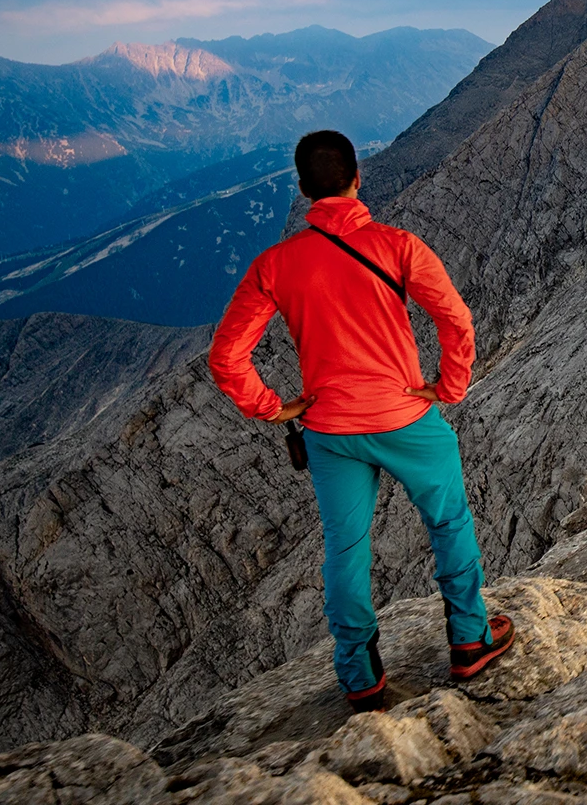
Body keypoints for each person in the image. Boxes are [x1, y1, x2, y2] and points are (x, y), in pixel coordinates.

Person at [209, 130, 513, 710]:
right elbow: (456, 321)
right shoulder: (399, 246)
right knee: (448, 523)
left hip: (330, 430)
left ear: (302, 189)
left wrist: (272, 407)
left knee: (345, 549)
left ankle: (360, 675)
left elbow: (225, 357)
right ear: (357, 177)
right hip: (406, 417)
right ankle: (470, 641)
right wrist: (447, 387)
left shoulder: (275, 265)